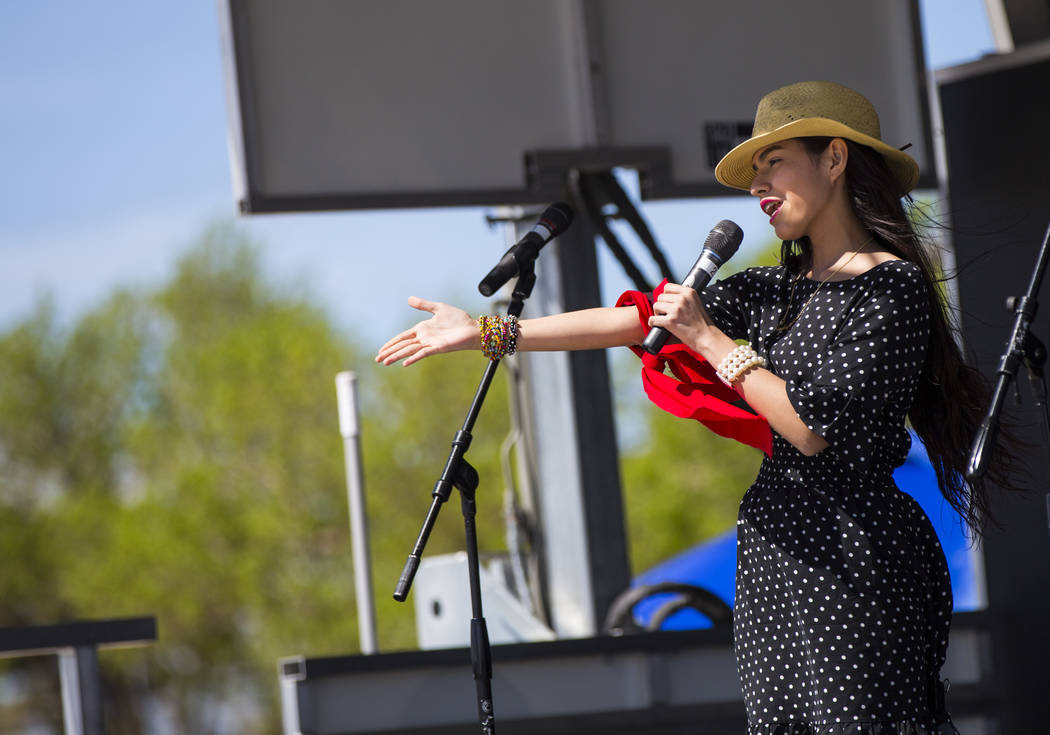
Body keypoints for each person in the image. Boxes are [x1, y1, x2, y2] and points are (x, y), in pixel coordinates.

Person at [376, 81, 1013, 733]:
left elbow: (812, 427)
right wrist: (489, 331)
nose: (758, 186)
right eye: (754, 172)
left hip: (855, 552)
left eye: (775, 162)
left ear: (834, 159)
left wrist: (711, 342)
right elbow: (634, 317)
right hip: (775, 544)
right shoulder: (776, 290)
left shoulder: (892, 287)